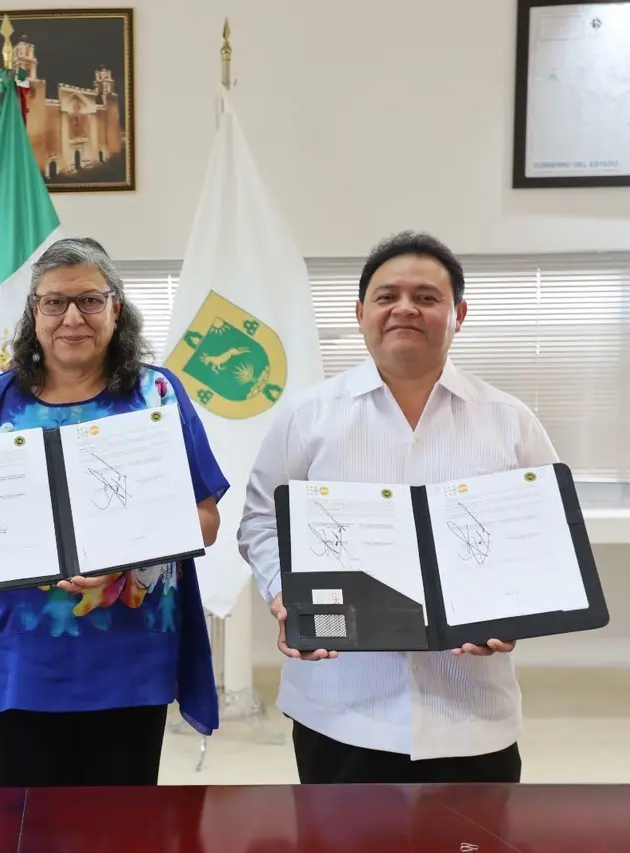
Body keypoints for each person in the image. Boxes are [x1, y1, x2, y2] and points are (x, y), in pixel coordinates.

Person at [237, 230, 560, 785]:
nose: (404, 308)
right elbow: (261, 520)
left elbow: (546, 538)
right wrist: (282, 588)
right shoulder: (307, 416)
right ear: (361, 312)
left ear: (459, 313)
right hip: (339, 708)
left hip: (472, 712)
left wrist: (518, 613)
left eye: (427, 297)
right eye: (387, 296)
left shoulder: (511, 422)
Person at [0, 237, 228, 787]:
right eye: (53, 302)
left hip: (131, 649)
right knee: (27, 823)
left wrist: (127, 554)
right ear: (33, 314)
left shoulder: (156, 394)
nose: (72, 318)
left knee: (124, 826)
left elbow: (206, 519)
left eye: (90, 300)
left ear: (116, 309)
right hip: (22, 653)